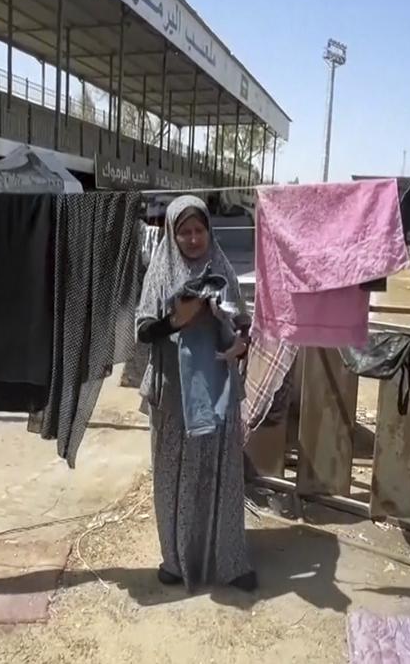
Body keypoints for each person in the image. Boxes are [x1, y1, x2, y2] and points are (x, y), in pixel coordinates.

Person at [135, 195, 256, 592]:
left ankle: (229, 560)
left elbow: (243, 324)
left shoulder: (221, 267)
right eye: (183, 232)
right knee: (173, 479)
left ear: (209, 230)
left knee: (221, 475)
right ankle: (175, 559)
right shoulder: (161, 271)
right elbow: (143, 329)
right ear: (172, 234)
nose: (192, 238)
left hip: (218, 388)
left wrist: (241, 343)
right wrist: (177, 319)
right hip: (173, 394)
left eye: (198, 230)